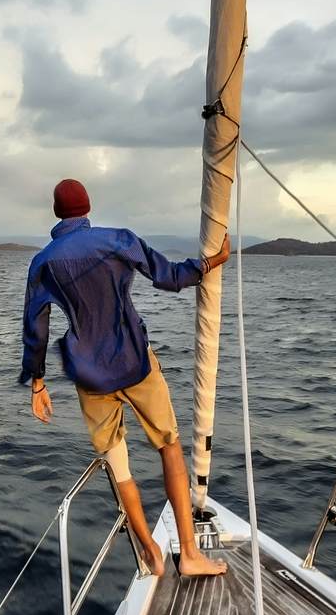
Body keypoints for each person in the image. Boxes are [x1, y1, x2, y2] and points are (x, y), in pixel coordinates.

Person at [21, 178, 231, 578]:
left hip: (89, 376)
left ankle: (150, 550)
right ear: (87, 207)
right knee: (169, 446)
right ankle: (188, 554)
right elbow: (168, 276)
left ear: (55, 212)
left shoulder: (43, 262)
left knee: (120, 467)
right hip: (134, 360)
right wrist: (210, 262)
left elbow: (37, 326)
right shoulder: (117, 239)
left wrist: (37, 383)